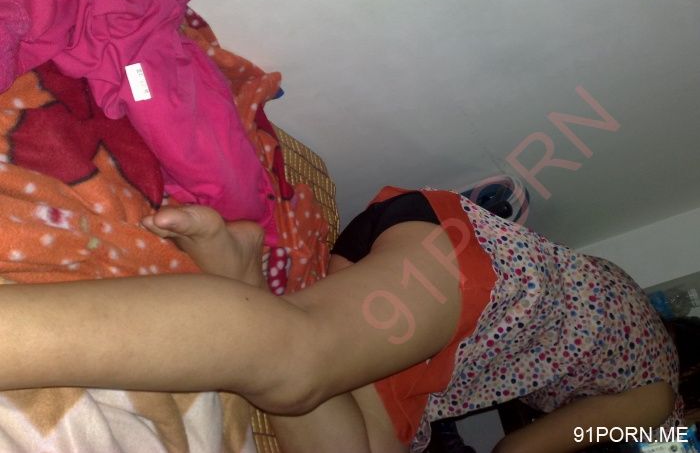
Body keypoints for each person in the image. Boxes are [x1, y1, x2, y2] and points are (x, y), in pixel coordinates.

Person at [0, 187, 681, 453]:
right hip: (478, 280)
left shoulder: (645, 340)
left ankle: (241, 284)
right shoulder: (656, 406)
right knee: (297, 363)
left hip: (446, 310)